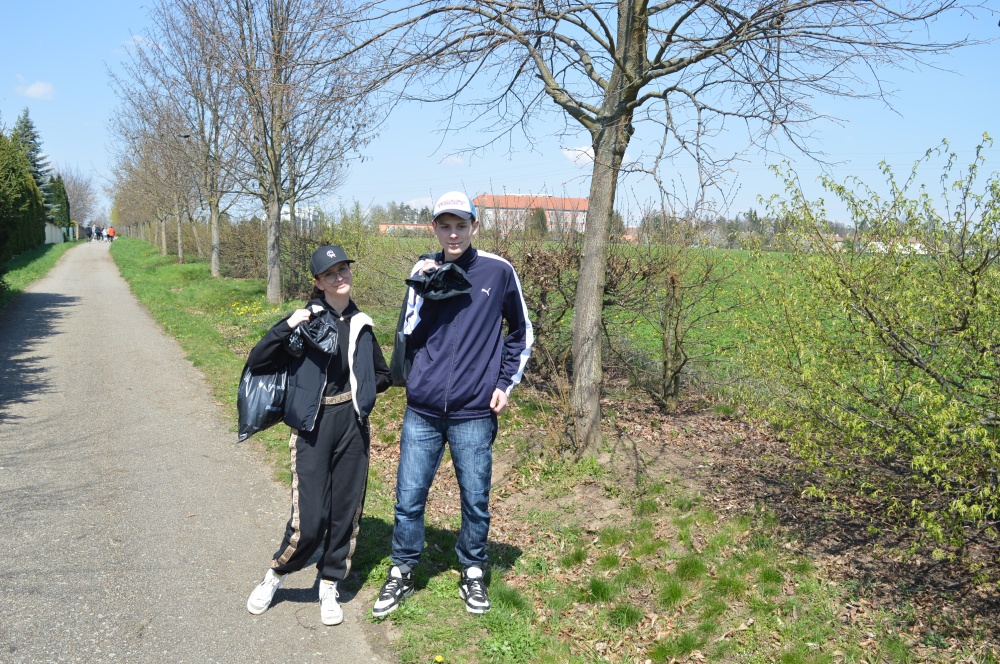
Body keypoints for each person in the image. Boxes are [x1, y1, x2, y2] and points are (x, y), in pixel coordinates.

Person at [372, 191, 533, 618]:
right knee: (409, 497)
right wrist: (422, 286)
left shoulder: (498, 271)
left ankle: (473, 570)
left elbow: (521, 332)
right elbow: (407, 333)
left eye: (461, 225)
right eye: (445, 226)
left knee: (475, 499)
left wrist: (505, 384)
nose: (453, 234)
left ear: (474, 226)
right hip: (423, 409)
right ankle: (402, 569)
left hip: (474, 410)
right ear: (435, 229)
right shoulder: (423, 268)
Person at [245, 245, 391, 626]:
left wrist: (364, 394)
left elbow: (383, 374)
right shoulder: (306, 320)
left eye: (343, 269)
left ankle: (329, 582)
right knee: (309, 521)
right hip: (313, 426)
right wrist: (287, 325)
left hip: (352, 426)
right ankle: (275, 574)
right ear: (318, 282)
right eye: (330, 274)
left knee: (345, 512)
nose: (340, 277)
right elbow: (259, 359)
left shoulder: (362, 323)